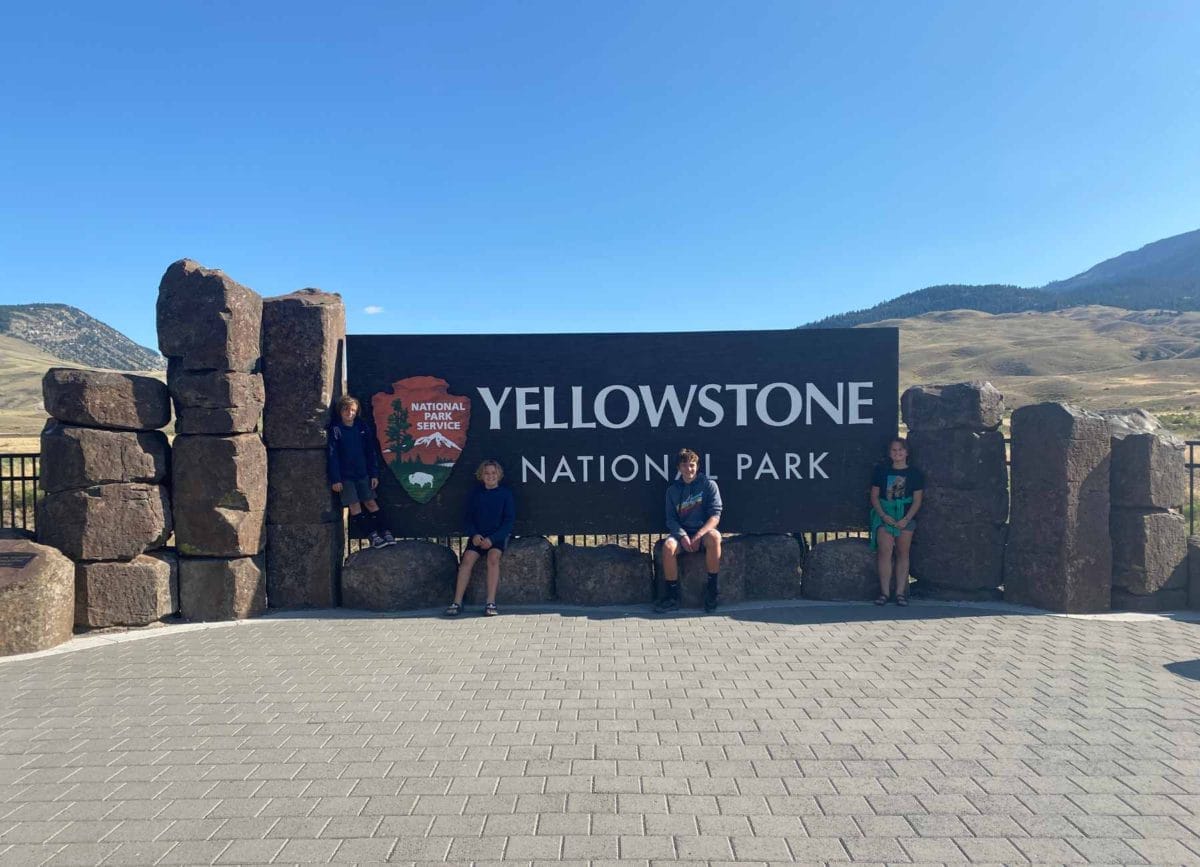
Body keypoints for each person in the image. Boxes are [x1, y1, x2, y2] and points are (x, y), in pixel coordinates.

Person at [445, 460, 515, 617]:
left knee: (493, 557)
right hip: (478, 537)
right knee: (467, 560)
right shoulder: (475, 495)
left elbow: (508, 521)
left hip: (496, 537)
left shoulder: (505, 494)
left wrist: (493, 538)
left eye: (493, 473)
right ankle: (457, 602)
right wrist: (474, 535)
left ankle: (490, 602)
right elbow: (468, 519)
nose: (490, 476)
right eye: (487, 473)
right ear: (481, 475)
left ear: (499, 475)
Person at [657, 448, 723, 613]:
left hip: (703, 533)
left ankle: (712, 592)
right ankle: (672, 596)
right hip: (682, 535)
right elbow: (671, 519)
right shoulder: (672, 491)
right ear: (679, 468)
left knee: (714, 537)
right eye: (685, 465)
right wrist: (683, 536)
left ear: (697, 466)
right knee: (668, 547)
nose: (689, 469)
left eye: (692, 465)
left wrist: (700, 534)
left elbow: (715, 515)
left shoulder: (709, 485)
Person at [327, 395, 396, 549]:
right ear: (340, 411)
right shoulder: (336, 430)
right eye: (346, 410)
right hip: (345, 477)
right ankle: (372, 536)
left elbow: (370, 452)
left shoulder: (362, 427)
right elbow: (332, 455)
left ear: (356, 411)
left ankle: (385, 532)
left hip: (363, 474)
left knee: (371, 503)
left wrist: (374, 474)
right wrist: (335, 479)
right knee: (354, 507)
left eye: (352, 410)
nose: (349, 413)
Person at [869, 437, 923, 606]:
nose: (897, 453)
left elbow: (917, 500)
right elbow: (875, 496)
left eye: (900, 450)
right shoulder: (881, 471)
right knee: (884, 553)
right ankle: (884, 592)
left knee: (902, 553)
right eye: (894, 450)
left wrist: (906, 519)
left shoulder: (915, 473)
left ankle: (900, 592)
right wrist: (884, 516)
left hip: (905, 518)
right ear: (889, 453)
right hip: (885, 517)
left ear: (906, 452)